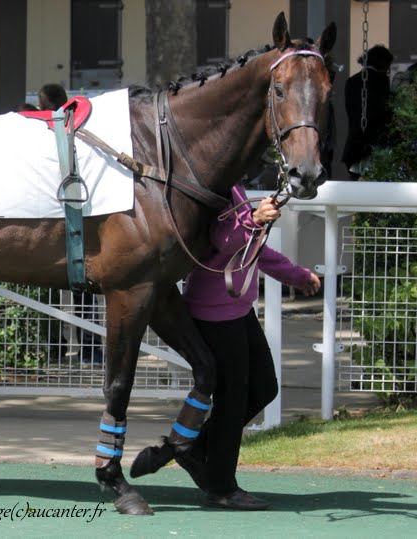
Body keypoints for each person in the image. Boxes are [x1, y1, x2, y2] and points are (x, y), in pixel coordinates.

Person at [133, 185, 321, 510]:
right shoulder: (211, 186)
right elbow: (221, 243)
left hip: (237, 309)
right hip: (213, 313)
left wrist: (295, 275)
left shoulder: (233, 186)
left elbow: (252, 250)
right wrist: (254, 220)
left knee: (263, 389)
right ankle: (221, 487)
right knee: (232, 401)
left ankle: (186, 448)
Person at [37, 83, 103, 365]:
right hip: (80, 218)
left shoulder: (43, 131)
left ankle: (55, 349)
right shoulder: (78, 129)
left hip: (50, 220)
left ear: (46, 104)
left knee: (49, 296)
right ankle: (90, 350)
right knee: (85, 293)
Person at [341, 44, 394, 178]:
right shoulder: (382, 81)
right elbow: (385, 111)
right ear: (384, 64)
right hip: (375, 147)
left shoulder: (351, 81)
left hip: (353, 147)